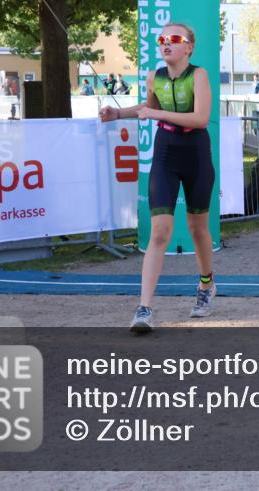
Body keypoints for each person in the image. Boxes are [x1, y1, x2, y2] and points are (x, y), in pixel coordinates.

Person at [99, 22, 216, 332]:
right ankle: (144, 308)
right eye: (162, 39)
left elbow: (201, 118)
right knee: (160, 230)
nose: (166, 43)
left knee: (197, 229)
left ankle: (206, 286)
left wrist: (158, 114)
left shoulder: (199, 75)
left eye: (174, 39)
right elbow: (148, 108)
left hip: (196, 154)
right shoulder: (155, 77)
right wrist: (117, 114)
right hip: (165, 154)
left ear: (189, 46)